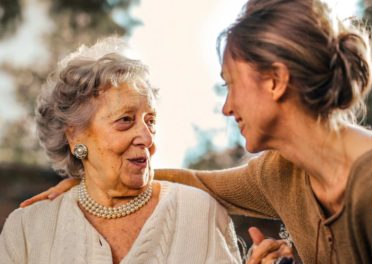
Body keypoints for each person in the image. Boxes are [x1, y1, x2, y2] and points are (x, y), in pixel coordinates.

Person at [21, 0, 372, 263]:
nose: (227, 106)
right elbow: (202, 182)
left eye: (231, 84)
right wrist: (91, 180)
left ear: (275, 81)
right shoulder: (282, 172)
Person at [0, 38, 242, 264]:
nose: (147, 138)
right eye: (126, 120)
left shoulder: (200, 212)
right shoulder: (26, 230)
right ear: (75, 136)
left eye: (151, 121)